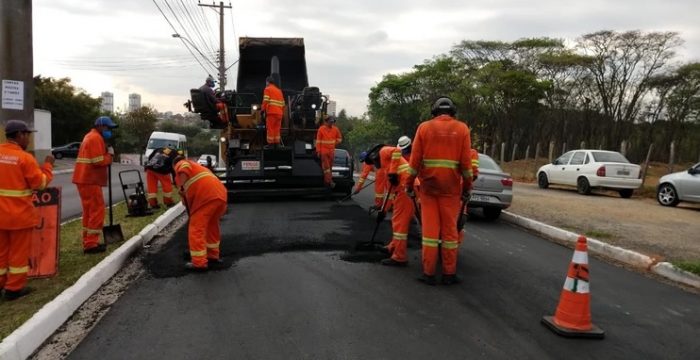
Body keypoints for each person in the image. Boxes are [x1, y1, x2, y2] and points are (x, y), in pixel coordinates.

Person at [406, 97, 473, 286]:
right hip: (452, 190)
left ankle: (428, 273)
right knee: (450, 233)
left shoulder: (424, 128)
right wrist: (467, 187)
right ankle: (449, 274)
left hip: (428, 188)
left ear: (434, 111)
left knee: (429, 233)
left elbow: (414, 162)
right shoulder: (462, 129)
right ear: (452, 111)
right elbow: (467, 166)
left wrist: (409, 184)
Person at [0, 120, 54, 300]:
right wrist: (48, 166)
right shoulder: (25, 158)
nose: (29, 139)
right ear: (19, 135)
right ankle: (13, 289)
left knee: (1, 252)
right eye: (27, 135)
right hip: (18, 216)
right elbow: (40, 184)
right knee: (18, 254)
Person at [173, 156, 228, 271]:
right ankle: (212, 256)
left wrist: (181, 187)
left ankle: (199, 263)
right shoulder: (199, 169)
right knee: (212, 227)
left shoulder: (182, 163)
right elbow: (187, 199)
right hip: (220, 195)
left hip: (206, 197)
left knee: (196, 228)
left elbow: (183, 167)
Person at [72, 116, 118, 254]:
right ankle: (91, 243)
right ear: (101, 126)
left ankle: (87, 240)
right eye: (108, 128)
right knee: (97, 210)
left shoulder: (90, 136)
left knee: (89, 211)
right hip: (89, 179)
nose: (109, 130)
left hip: (84, 179)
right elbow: (97, 161)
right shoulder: (95, 138)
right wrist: (109, 156)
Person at [381, 145, 415, 267]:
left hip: (406, 188)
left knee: (399, 223)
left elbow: (397, 150)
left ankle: (399, 257)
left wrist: (393, 172)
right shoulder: (387, 168)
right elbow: (390, 193)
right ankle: (393, 246)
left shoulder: (383, 151)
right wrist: (383, 211)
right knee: (398, 220)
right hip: (405, 188)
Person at [315, 115, 342, 187]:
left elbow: (339, 139)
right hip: (324, 151)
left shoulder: (335, 129)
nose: (331, 123)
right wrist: (318, 151)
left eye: (332, 122)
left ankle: (327, 182)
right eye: (330, 122)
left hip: (331, 151)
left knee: (330, 167)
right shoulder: (321, 129)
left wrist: (334, 143)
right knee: (326, 168)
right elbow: (318, 141)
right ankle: (329, 182)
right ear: (326, 122)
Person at [261, 76, 285, 146]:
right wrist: (281, 112)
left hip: (271, 113)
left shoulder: (267, 89)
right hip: (279, 114)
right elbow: (283, 104)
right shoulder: (279, 91)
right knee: (277, 129)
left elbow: (265, 100)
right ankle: (277, 143)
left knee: (270, 128)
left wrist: (262, 110)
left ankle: (271, 144)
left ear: (267, 82)